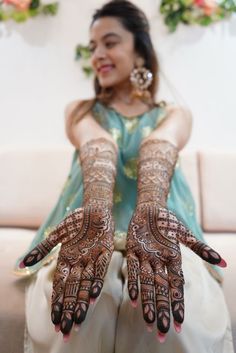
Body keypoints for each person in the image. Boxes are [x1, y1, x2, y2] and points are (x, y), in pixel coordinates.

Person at [15, 1, 234, 352]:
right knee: (92, 301)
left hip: (160, 231)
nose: (98, 54)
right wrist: (97, 212)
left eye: (110, 42)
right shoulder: (80, 111)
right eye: (93, 47)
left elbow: (158, 146)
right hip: (86, 229)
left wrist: (149, 210)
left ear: (140, 51)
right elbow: (97, 143)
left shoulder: (174, 114)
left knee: (173, 313)